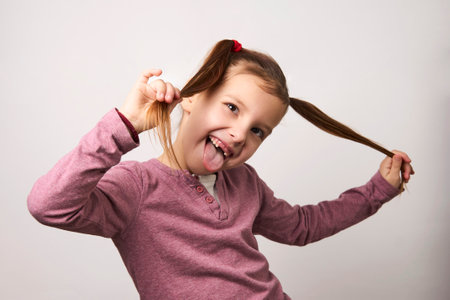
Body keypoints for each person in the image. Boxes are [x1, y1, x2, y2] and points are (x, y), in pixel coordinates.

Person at [27, 39, 414, 299]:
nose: (239, 134)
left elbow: (302, 227)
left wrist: (378, 188)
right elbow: (49, 205)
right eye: (232, 108)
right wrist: (124, 124)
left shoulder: (245, 182)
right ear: (192, 97)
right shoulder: (136, 187)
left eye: (258, 130)